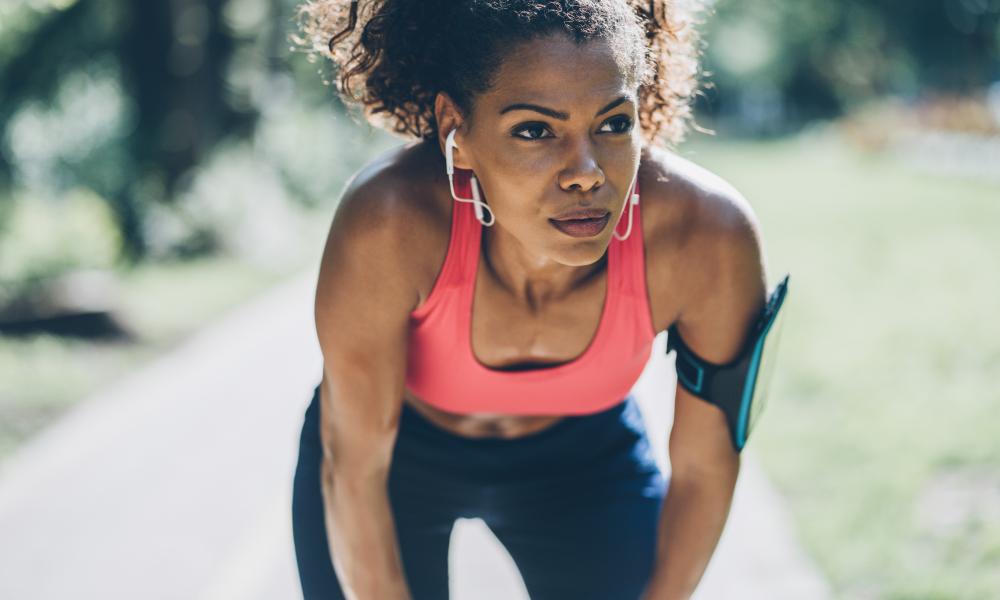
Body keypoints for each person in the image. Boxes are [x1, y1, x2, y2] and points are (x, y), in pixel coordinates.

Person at [289, 1, 769, 599]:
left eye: (614, 123)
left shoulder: (706, 237)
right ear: (455, 133)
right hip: (394, 463)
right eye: (535, 130)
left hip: (582, 465)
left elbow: (705, 468)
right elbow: (357, 470)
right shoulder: (388, 225)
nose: (586, 173)